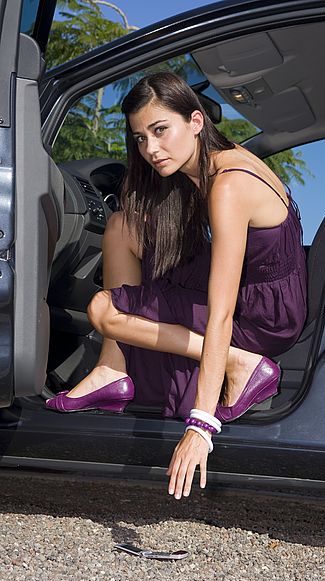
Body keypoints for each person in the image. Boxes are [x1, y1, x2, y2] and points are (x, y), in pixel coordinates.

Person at [46, 72, 308, 499]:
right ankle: (111, 368)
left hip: (259, 315)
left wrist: (202, 425)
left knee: (104, 311)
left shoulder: (227, 185)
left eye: (161, 130)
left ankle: (240, 363)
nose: (151, 149)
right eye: (140, 138)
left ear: (196, 122)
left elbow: (221, 311)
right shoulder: (217, 161)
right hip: (261, 292)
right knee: (121, 226)